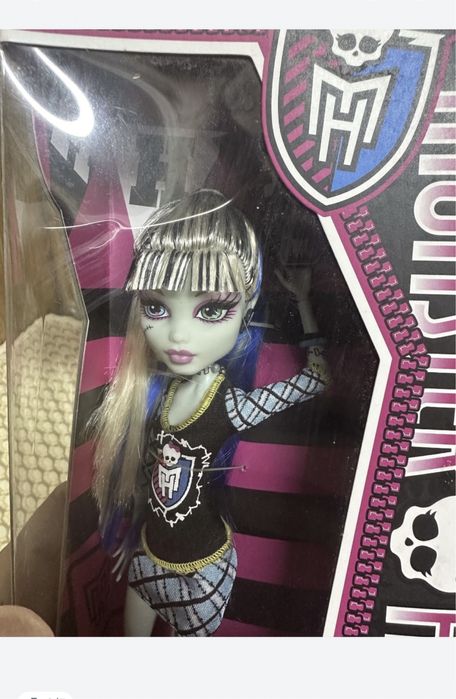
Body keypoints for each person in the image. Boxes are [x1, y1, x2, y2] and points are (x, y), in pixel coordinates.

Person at [91, 189, 329, 636]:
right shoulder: (162, 392)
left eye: (212, 309)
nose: (179, 335)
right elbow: (155, 468)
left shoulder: (232, 406)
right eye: (156, 306)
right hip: (148, 553)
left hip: (200, 569)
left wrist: (303, 302)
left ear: (248, 305)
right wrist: (132, 528)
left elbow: (316, 379)